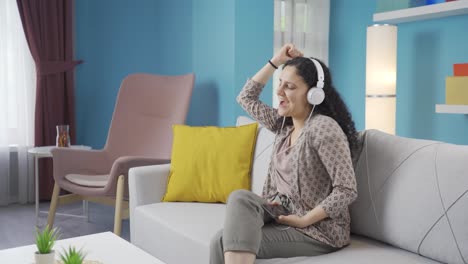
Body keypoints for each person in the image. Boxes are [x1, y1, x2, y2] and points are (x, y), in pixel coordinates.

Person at [209, 43, 359, 264]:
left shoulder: (323, 128)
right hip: (281, 211)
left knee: (221, 243)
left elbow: (346, 189)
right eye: (280, 83)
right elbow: (246, 98)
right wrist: (275, 62)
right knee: (239, 198)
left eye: (289, 86)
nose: (279, 92)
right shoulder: (283, 125)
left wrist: (305, 220)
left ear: (314, 94)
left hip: (318, 231)